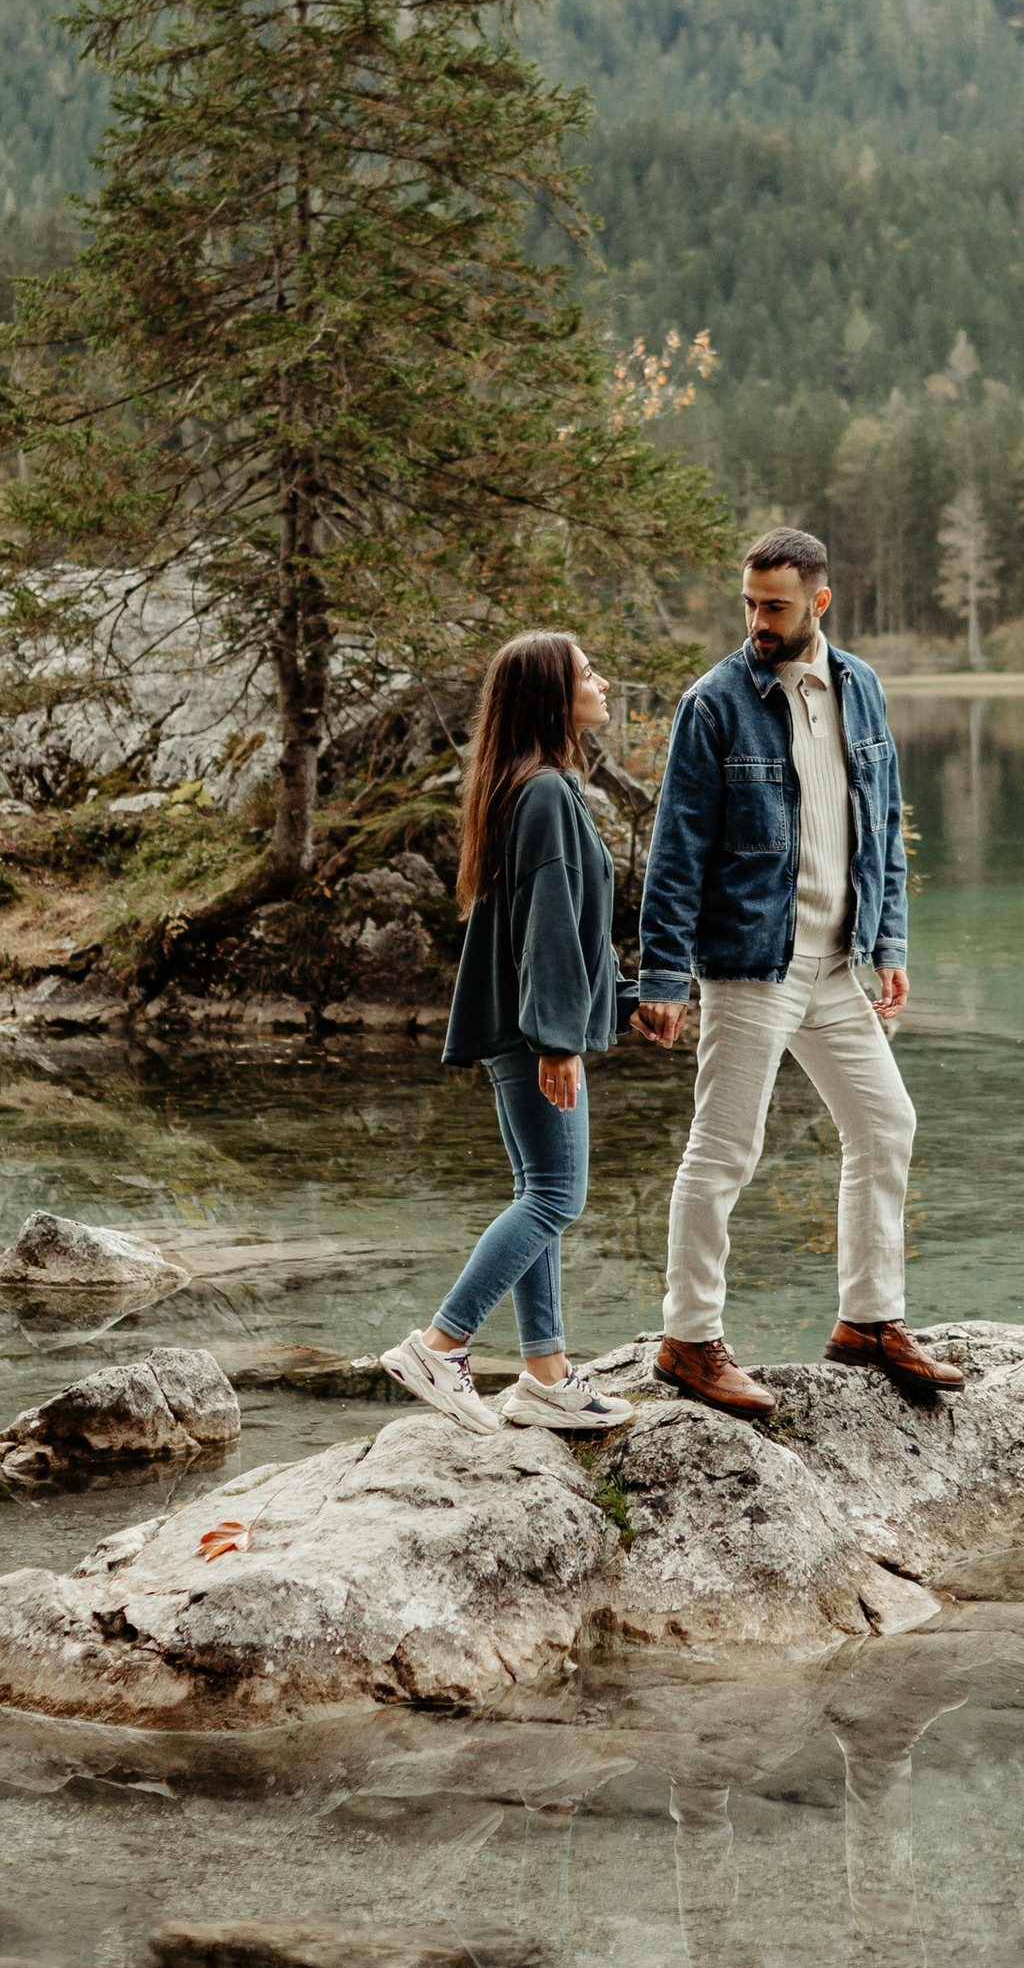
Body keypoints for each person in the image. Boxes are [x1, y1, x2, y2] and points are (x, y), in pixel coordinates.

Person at [632, 527, 963, 1420]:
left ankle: (868, 1320)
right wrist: (661, 974)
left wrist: (888, 942)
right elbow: (677, 850)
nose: (757, 623)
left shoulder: (859, 687)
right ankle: (688, 1340)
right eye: (749, 605)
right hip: (751, 965)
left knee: (886, 1122)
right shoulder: (714, 705)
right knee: (725, 1151)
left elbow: (882, 826)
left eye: (775, 606)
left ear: (819, 602)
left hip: (832, 965)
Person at [380, 631, 639, 1438]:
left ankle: (546, 1376)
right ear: (551, 697)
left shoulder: (525, 786)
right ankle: (440, 1344)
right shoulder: (547, 794)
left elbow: (562, 927)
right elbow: (552, 930)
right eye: (587, 671)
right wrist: (560, 1038)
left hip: (522, 1026)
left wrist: (622, 1000)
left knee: (541, 1195)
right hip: (534, 1033)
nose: (602, 679)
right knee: (558, 1195)